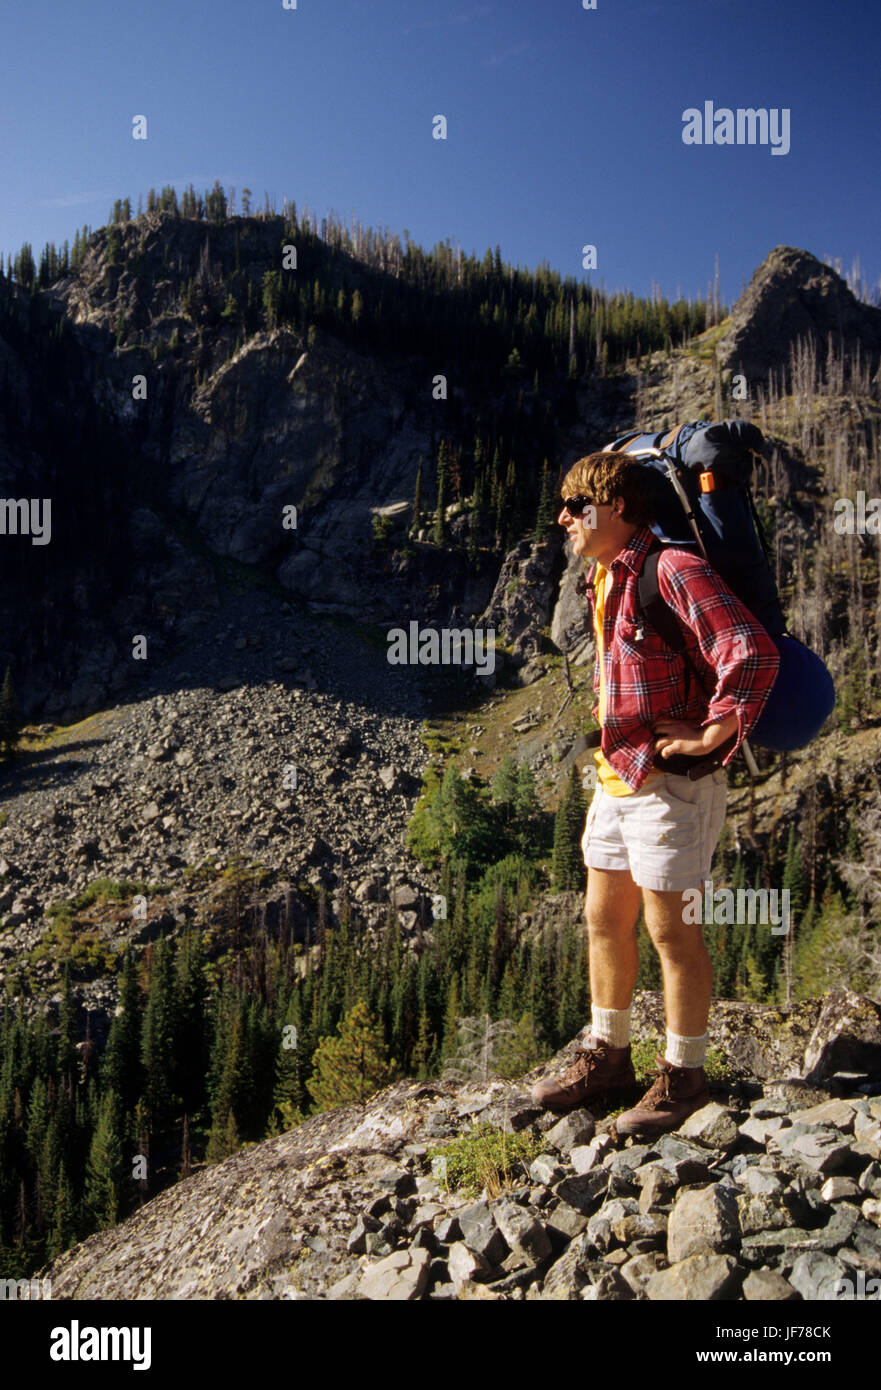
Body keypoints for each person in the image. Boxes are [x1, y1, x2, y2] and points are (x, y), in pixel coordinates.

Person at [531, 449, 780, 1136]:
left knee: (671, 930)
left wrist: (712, 733)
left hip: (672, 785)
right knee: (603, 918)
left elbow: (750, 650)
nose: (564, 518)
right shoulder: (605, 576)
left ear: (616, 507)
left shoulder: (672, 569)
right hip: (620, 773)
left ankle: (683, 1078)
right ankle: (608, 1059)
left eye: (577, 506)